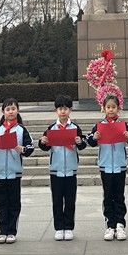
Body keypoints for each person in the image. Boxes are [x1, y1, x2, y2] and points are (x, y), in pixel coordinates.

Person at [86, 94, 128, 241]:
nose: (111, 110)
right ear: (103, 108)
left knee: (119, 196)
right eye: (108, 107)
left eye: (113, 107)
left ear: (118, 108)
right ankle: (110, 225)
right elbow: (89, 140)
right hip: (105, 166)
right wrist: (95, 137)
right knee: (108, 196)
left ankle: (120, 224)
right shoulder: (99, 125)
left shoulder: (123, 124)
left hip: (120, 165)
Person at [0, 98, 34, 244]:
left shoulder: (21, 130)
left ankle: (11, 231)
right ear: (3, 112)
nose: (11, 112)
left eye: (13, 109)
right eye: (8, 109)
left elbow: (30, 148)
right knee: (1, 203)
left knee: (14, 203)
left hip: (14, 172)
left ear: (18, 110)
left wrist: (20, 148)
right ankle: (2, 231)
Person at [37, 95, 87, 241]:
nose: (63, 111)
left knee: (70, 200)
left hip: (71, 170)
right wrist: (43, 141)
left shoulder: (75, 128)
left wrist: (79, 141)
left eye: (65, 108)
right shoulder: (51, 128)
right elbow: (45, 147)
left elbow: (83, 145)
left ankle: (69, 227)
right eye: (60, 109)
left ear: (70, 110)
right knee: (57, 200)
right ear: (56, 111)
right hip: (56, 170)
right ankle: (59, 227)